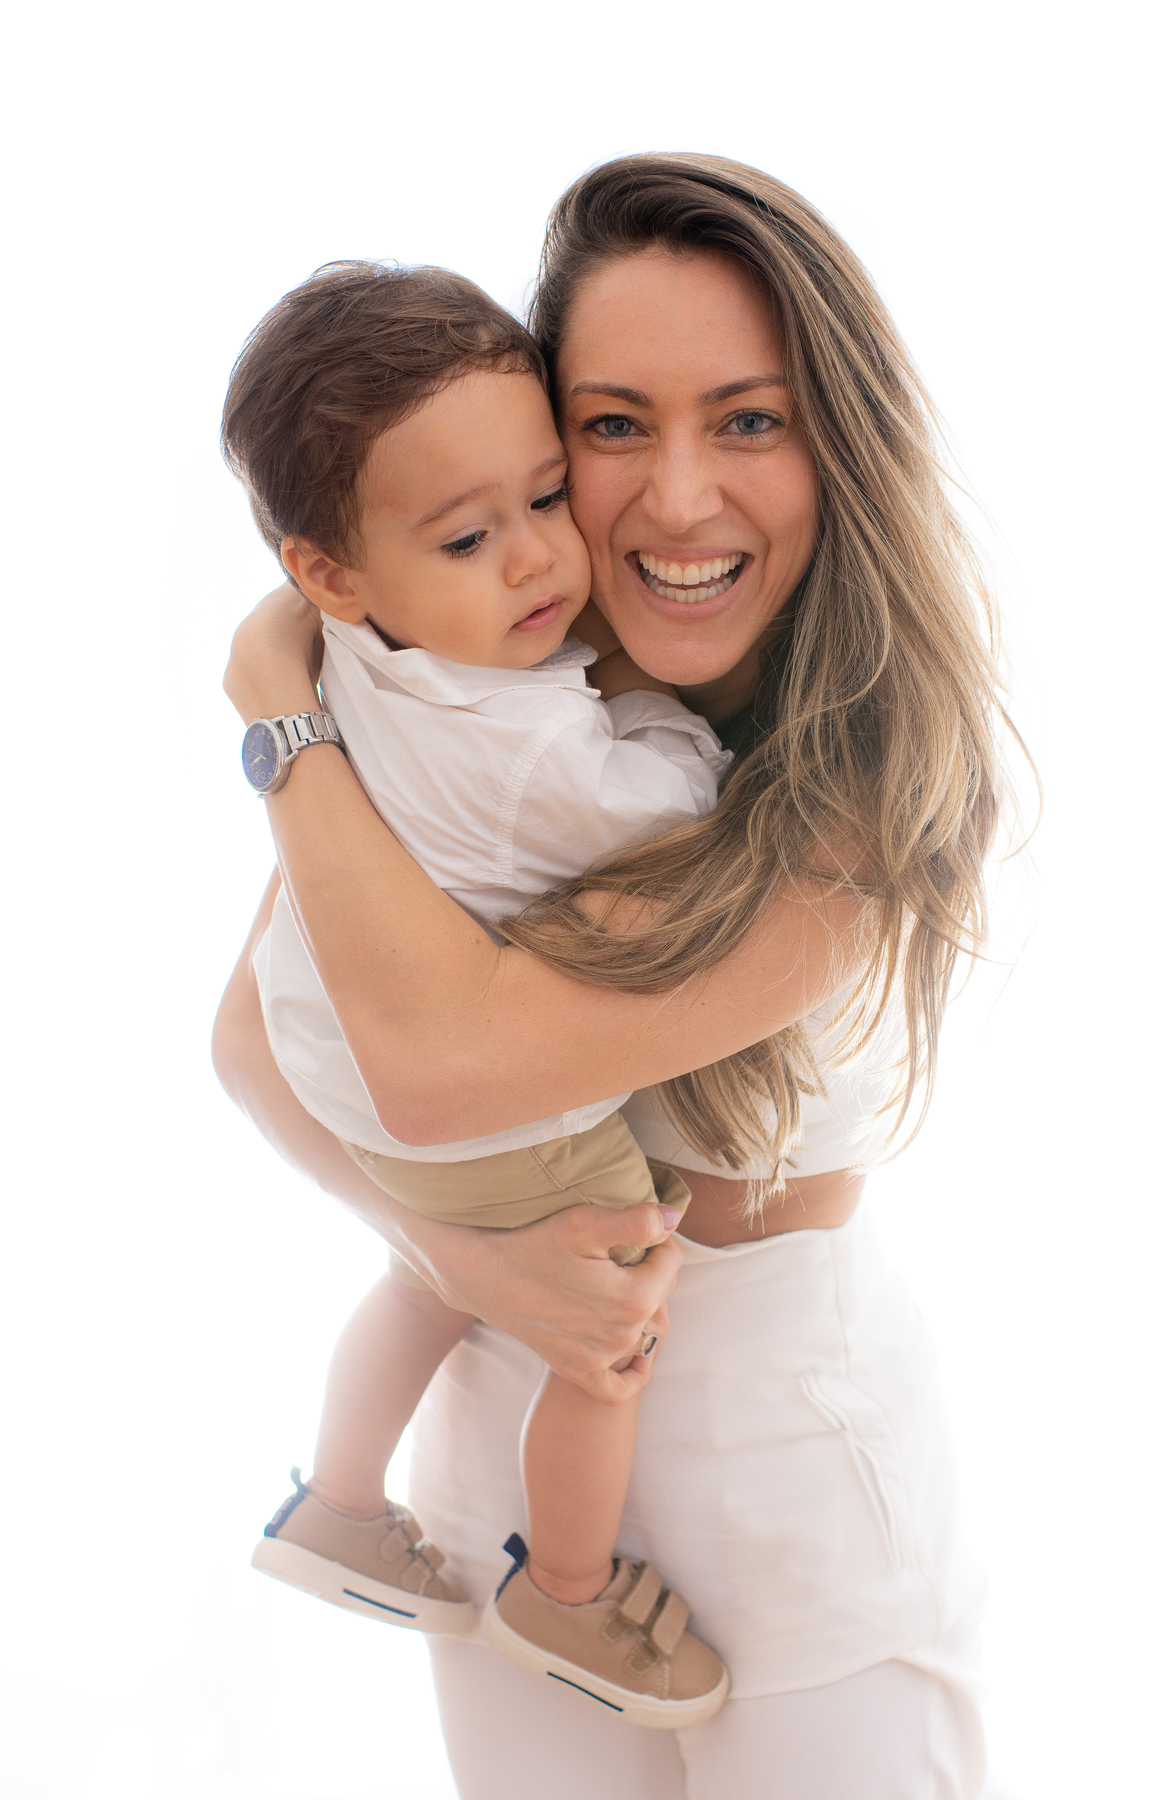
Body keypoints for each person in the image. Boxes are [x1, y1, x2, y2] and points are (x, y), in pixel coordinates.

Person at [215, 153, 1013, 1798]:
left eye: (748, 418)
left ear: (837, 441)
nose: (674, 498)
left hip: (776, 1450)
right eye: (614, 424)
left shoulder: (856, 793)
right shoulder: (481, 707)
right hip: (506, 1417)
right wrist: (463, 1260)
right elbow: (249, 1040)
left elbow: (436, 1070)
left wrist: (274, 708)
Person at [221, 259, 734, 1724]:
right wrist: (650, 703)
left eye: (545, 497)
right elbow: (667, 805)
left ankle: (336, 1496)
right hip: (468, 1109)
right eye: (469, 534)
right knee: (613, 1316)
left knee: (422, 1274)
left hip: (326, 1050)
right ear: (328, 566)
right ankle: (565, 1595)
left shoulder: (347, 643)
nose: (537, 565)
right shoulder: (533, 752)